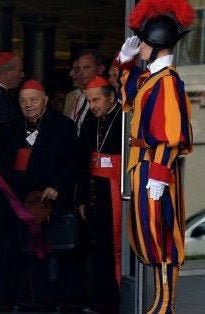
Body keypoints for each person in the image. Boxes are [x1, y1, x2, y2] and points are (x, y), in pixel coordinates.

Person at [118, 0, 194, 312]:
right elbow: (130, 91)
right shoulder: (154, 77)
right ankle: (160, 302)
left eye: (144, 44)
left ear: (155, 45)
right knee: (149, 236)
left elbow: (171, 134)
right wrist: (124, 62)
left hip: (155, 167)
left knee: (161, 234)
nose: (140, 49)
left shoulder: (168, 81)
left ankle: (166, 305)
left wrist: (160, 175)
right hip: (144, 165)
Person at [0, 79, 82, 311]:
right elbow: (1, 162)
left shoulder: (63, 126)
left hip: (45, 200)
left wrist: (57, 186)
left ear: (45, 100)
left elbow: (72, 164)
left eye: (34, 100)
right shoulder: (12, 127)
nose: (28, 105)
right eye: (23, 101)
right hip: (15, 200)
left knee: (44, 252)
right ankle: (20, 297)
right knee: (15, 249)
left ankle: (44, 300)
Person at [75, 76, 122, 312]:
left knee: (113, 249)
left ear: (111, 96)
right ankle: (99, 300)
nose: (92, 105)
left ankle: (116, 300)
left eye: (97, 100)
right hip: (94, 194)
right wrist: (81, 199)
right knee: (97, 249)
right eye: (89, 100)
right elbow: (83, 162)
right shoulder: (90, 121)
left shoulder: (124, 118)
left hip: (114, 194)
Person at [71, 50, 106, 134]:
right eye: (78, 68)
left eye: (86, 67)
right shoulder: (75, 96)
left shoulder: (107, 96)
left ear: (100, 69)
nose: (80, 73)